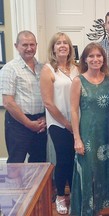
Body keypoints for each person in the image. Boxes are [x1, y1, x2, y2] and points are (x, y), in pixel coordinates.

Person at [70, 42, 109, 216]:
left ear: (103, 59)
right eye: (91, 56)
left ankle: (98, 208)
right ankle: (86, 210)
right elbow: (73, 111)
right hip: (88, 135)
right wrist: (77, 138)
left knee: (103, 172)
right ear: (85, 59)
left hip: (107, 134)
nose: (95, 59)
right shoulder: (78, 81)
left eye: (98, 55)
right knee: (88, 172)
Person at [40, 32, 79, 215]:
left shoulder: (76, 68)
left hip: (77, 122)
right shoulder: (48, 69)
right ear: (53, 47)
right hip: (58, 124)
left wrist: (76, 124)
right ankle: (60, 197)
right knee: (63, 159)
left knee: (75, 159)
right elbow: (48, 102)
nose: (62, 45)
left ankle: (75, 195)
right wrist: (66, 123)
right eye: (58, 43)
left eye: (66, 43)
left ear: (70, 48)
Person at [0, 30, 47, 163]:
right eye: (25, 45)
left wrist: (45, 118)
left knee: (40, 162)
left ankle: (35, 185)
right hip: (18, 123)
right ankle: (16, 185)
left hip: (40, 122)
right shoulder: (10, 69)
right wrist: (28, 123)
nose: (29, 48)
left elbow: (48, 97)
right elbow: (8, 102)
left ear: (36, 45)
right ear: (16, 46)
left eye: (32, 44)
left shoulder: (43, 68)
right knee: (16, 162)